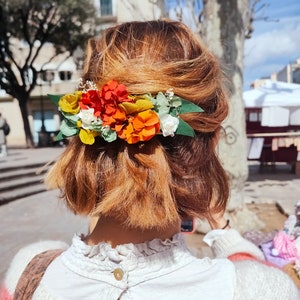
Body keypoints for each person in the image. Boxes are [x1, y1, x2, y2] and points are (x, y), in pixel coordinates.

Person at [0, 20, 298, 300]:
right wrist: (224, 233)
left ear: (85, 130)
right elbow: (252, 274)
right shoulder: (257, 288)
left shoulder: (28, 274)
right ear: (210, 144)